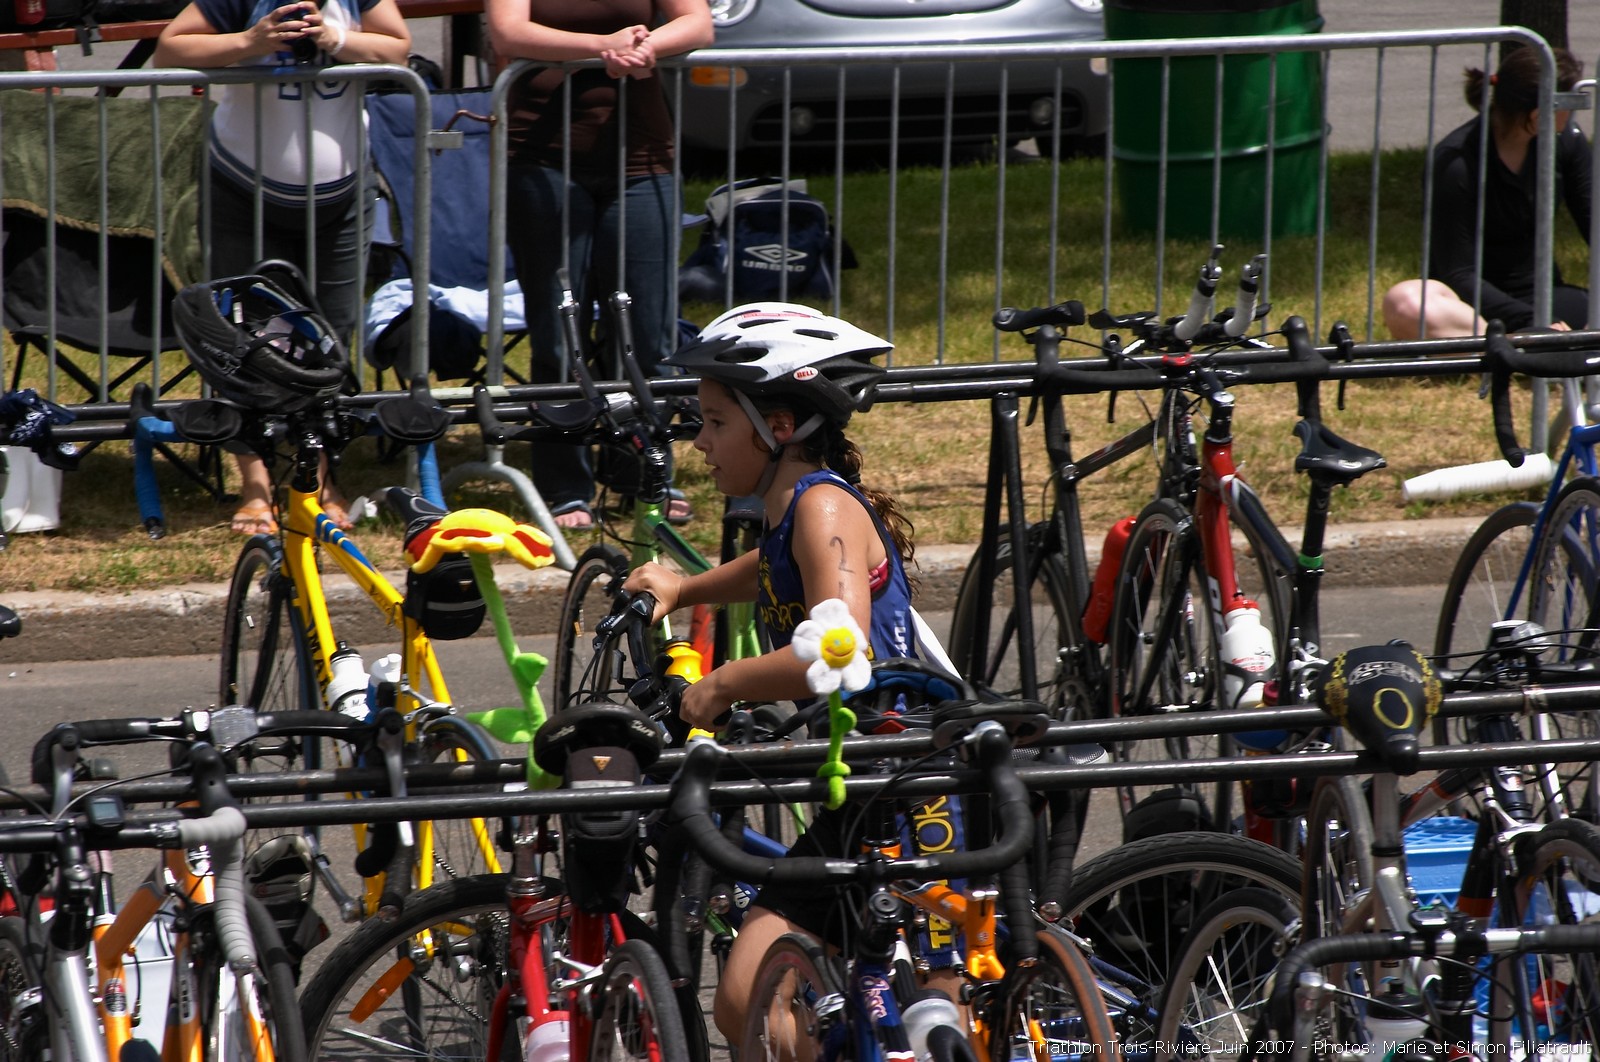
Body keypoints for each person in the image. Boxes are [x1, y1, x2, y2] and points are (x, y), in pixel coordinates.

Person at [623, 303, 950, 1042]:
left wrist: (721, 684)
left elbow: (841, 647)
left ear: (778, 426)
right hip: (863, 783)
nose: (699, 441)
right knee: (746, 1001)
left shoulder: (823, 506)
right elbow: (773, 572)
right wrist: (685, 588)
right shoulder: (794, 508)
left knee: (940, 1021)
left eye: (715, 422)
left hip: (922, 782)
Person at [154, 0, 411, 534]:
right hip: (241, 188)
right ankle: (254, 484)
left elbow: (398, 49)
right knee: (242, 336)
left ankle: (319, 479)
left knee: (332, 337)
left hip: (341, 197)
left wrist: (337, 39)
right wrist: (253, 41)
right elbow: (169, 49)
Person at [485, 0, 713, 530]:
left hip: (644, 159)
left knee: (649, 334)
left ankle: (646, 473)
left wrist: (645, 46)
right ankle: (566, 487)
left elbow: (699, 23)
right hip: (542, 157)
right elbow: (507, 32)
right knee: (556, 334)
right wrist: (602, 47)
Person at [1382, 46, 1591, 341]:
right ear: (1538, 115)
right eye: (1570, 101)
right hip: (1470, 309)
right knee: (1405, 302)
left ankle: (1538, 348)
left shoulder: (1568, 141)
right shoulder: (1455, 161)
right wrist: (1533, 323)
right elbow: (1459, 273)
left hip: (1545, 298)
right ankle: (1517, 348)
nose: (1573, 114)